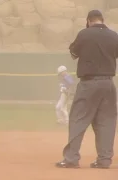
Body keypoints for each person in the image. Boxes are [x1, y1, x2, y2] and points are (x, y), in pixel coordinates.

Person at [56, 10, 118, 169]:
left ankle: (71, 159)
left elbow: (74, 52)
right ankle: (104, 160)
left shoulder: (84, 34)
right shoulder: (114, 35)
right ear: (102, 20)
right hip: (108, 83)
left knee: (78, 119)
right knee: (107, 122)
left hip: (89, 82)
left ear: (89, 20)